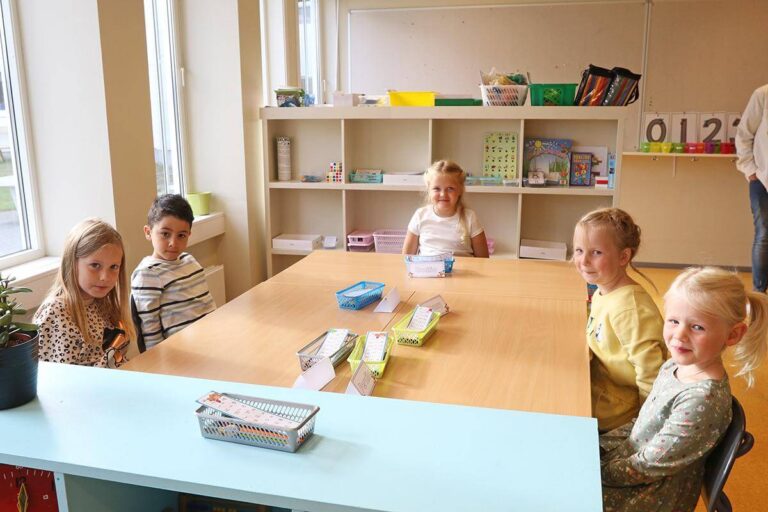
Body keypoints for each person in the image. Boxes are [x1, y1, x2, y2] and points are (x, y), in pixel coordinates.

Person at [600, 266, 768, 512]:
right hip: (630, 467)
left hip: (648, 496)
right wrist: (600, 445)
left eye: (697, 327)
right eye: (674, 321)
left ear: (732, 335)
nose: (679, 335)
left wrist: (597, 470)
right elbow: (642, 424)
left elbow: (648, 466)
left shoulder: (702, 400)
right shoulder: (675, 365)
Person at [573, 207, 667, 432]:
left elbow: (651, 376)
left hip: (614, 413)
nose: (584, 261)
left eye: (596, 252)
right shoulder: (603, 290)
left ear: (624, 257)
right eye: (579, 250)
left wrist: (644, 429)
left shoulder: (630, 310)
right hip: (598, 389)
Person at [33, 218, 135, 367]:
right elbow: (61, 376)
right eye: (95, 265)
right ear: (72, 263)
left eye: (113, 267)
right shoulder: (57, 314)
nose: (105, 277)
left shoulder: (103, 303)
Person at [131, 194, 215, 350]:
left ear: (189, 235)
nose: (173, 243)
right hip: (181, 353)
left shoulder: (190, 261)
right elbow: (150, 332)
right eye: (165, 234)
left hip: (209, 342)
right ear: (148, 232)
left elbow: (208, 306)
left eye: (181, 235)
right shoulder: (147, 274)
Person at [402, 160, 489, 257]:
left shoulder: (470, 217)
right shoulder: (420, 215)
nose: (443, 194)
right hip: (428, 267)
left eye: (450, 189)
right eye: (436, 189)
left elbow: (483, 259)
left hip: (462, 267)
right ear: (429, 190)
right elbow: (406, 257)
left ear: (460, 190)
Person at [736, 84, 768, 292]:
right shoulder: (763, 94)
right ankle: (760, 293)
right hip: (762, 179)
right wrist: (751, 172)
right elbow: (743, 135)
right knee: (764, 234)